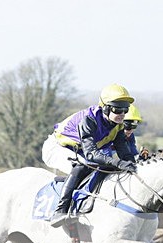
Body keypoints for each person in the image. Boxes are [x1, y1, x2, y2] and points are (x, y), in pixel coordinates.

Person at [48, 84, 138, 227]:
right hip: (58, 147)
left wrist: (134, 165)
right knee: (83, 166)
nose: (122, 113)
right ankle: (60, 210)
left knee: (107, 167)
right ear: (106, 108)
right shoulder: (88, 120)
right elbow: (91, 154)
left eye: (125, 109)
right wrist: (118, 163)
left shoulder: (118, 125)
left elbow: (124, 152)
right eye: (118, 109)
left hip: (80, 150)